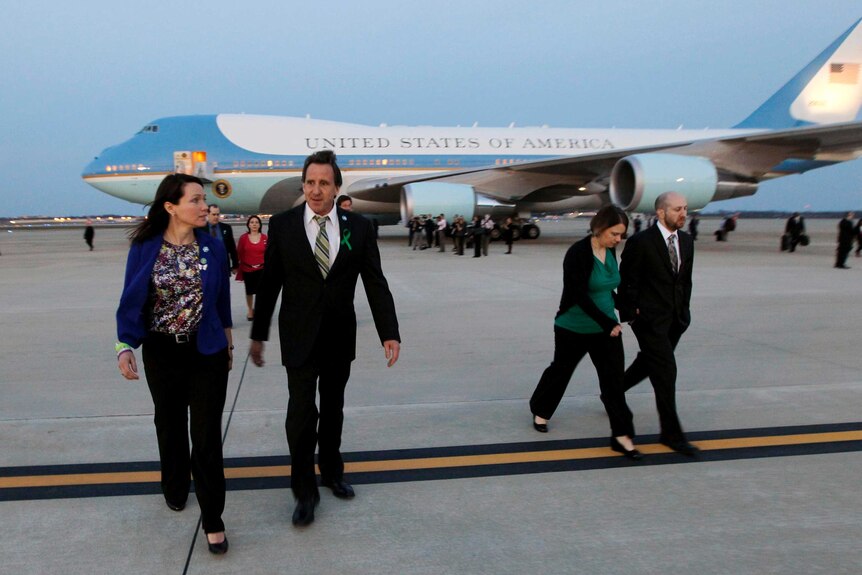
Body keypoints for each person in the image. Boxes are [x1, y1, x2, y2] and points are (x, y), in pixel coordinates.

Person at [250, 150, 401, 527]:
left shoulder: (359, 227)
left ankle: (332, 472)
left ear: (336, 187)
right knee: (301, 414)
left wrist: (389, 332)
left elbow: (375, 283)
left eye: (324, 183)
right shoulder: (283, 225)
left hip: (338, 336)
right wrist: (258, 334)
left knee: (333, 410)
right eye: (310, 182)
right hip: (298, 336)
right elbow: (269, 285)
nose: (316, 190)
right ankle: (304, 491)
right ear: (303, 185)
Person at [115, 173, 233, 554]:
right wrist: (124, 345)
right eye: (196, 200)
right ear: (171, 207)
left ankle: (213, 518)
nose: (204, 207)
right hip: (162, 352)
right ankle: (176, 485)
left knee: (207, 437)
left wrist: (228, 342)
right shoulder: (146, 247)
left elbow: (222, 302)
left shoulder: (213, 247)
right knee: (168, 425)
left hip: (207, 354)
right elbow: (130, 298)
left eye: (204, 200)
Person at [530, 207, 640, 460]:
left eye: (621, 235)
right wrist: (606, 323)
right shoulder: (577, 253)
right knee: (561, 371)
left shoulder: (611, 250)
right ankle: (540, 410)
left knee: (613, 381)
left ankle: (622, 436)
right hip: (573, 327)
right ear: (600, 229)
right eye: (614, 234)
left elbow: (608, 289)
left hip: (606, 328)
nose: (618, 240)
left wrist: (626, 310)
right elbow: (579, 294)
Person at [618, 191, 699, 456]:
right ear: (661, 213)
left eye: (685, 208)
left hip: (676, 320)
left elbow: (684, 281)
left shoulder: (687, 242)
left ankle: (613, 391)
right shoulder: (642, 242)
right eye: (677, 209)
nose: (683, 214)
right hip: (648, 321)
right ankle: (671, 434)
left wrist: (684, 313)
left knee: (647, 363)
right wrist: (632, 313)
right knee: (666, 372)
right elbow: (627, 279)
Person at [236, 215, 268, 321]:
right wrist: (237, 266)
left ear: (260, 225)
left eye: (256, 222)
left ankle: (259, 310)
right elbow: (239, 252)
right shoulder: (243, 238)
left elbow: (268, 253)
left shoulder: (264, 238)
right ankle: (250, 310)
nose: (254, 224)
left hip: (262, 269)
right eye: (252, 222)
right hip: (247, 269)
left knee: (261, 291)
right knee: (249, 291)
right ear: (248, 225)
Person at [207, 204, 239, 272]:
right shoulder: (201, 229)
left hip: (223, 266)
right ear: (208, 214)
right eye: (214, 214)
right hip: (207, 267)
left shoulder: (226, 228)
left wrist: (235, 265)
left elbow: (232, 248)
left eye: (218, 214)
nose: (216, 217)